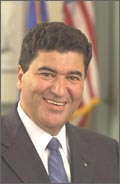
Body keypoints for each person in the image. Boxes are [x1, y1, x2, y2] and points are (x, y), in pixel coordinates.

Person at [1, 22, 119, 184]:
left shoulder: (108, 153)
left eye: (72, 77)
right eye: (47, 74)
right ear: (20, 77)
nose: (59, 90)